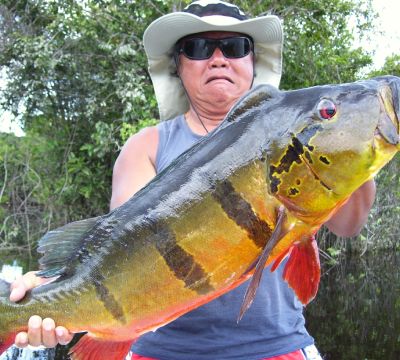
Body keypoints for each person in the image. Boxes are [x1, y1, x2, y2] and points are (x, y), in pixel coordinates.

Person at [10, 1, 376, 359]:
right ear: (178, 65)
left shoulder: (294, 132)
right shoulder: (147, 146)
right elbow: (115, 251)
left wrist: (358, 145)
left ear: (252, 61)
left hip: (277, 347)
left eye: (234, 47)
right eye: (199, 47)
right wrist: (44, 293)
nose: (219, 58)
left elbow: (349, 223)